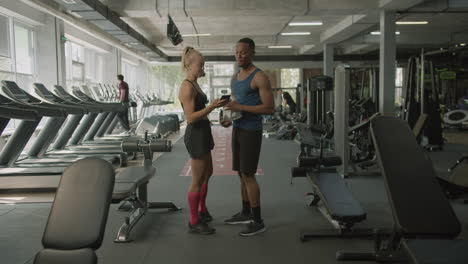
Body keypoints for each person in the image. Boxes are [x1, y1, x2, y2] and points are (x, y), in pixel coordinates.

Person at [221, 38, 274, 236]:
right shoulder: (235, 78)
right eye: (236, 52)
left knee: (249, 175)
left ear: (252, 52)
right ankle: (245, 212)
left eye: (243, 52)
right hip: (237, 128)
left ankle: (258, 220)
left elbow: (270, 108)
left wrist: (240, 107)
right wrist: (228, 118)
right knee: (240, 173)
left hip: (252, 130)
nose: (239, 55)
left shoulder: (259, 77)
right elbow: (237, 103)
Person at [178, 46, 227, 235]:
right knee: (197, 179)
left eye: (203, 64)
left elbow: (200, 112)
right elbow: (190, 117)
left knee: (208, 173)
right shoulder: (186, 86)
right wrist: (212, 106)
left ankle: (202, 209)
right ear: (189, 65)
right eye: (200, 64)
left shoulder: (196, 83)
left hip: (204, 132)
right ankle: (193, 221)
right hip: (196, 134)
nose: (202, 67)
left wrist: (216, 113)